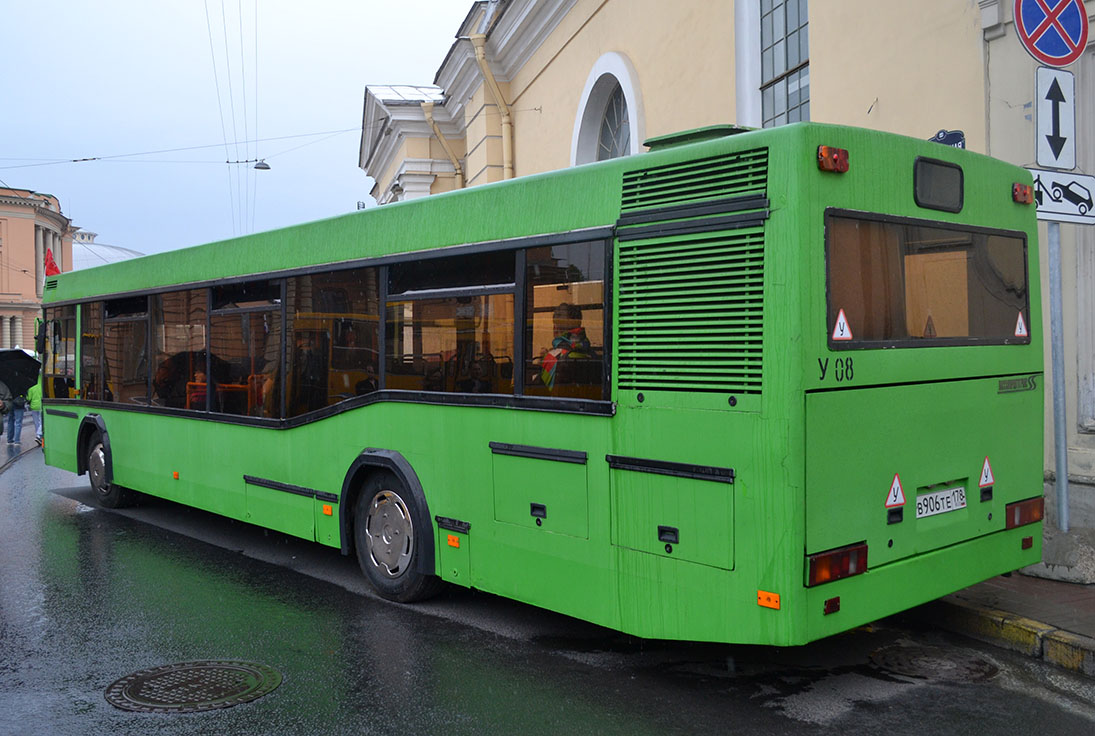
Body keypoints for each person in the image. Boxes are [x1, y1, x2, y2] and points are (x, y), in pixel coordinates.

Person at [539, 302, 593, 389]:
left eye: (559, 315)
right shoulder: (587, 346)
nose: (555, 317)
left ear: (571, 320)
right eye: (555, 314)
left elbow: (538, 388)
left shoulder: (553, 356)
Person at [27, 380, 42, 446]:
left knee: (36, 422)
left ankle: (38, 435)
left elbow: (28, 398)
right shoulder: (43, 387)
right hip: (41, 406)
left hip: (34, 407)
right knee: (41, 421)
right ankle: (39, 436)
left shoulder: (31, 389)